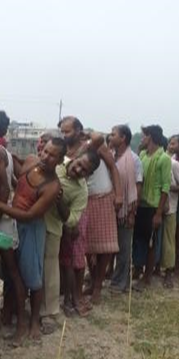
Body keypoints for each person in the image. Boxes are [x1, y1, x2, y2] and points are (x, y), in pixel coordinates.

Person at [0, 138, 64, 341]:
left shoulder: (53, 186)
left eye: (52, 155)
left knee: (32, 277)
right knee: (13, 273)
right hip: (13, 223)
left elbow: (31, 215)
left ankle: (32, 323)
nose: (46, 157)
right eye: (45, 151)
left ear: (59, 160)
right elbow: (17, 179)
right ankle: (16, 317)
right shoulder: (31, 161)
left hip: (30, 228)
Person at [59, 116, 121, 304]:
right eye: (62, 131)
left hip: (102, 196)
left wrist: (118, 196)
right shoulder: (65, 152)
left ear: (79, 130)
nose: (64, 135)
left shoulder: (91, 145)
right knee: (86, 247)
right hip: (81, 201)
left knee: (105, 246)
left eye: (68, 131)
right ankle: (92, 281)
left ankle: (98, 287)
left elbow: (113, 167)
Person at [0, 111, 27, 344]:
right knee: (9, 272)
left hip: (0, 220)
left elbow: (2, 186)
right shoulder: (5, 151)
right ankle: (4, 316)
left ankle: (18, 322)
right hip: (4, 218)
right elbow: (12, 182)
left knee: (10, 271)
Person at [56, 151, 100, 317]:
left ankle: (70, 299)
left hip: (63, 226)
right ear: (75, 158)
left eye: (84, 170)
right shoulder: (58, 163)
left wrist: (59, 200)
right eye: (79, 163)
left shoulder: (82, 191)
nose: (78, 169)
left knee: (69, 263)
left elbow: (73, 221)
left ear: (88, 175)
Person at [133, 125, 171, 291]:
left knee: (151, 243)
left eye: (145, 136)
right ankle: (137, 269)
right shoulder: (142, 154)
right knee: (138, 239)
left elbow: (165, 187)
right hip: (140, 205)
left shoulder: (164, 158)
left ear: (151, 136)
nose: (142, 138)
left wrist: (158, 213)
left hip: (153, 206)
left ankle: (147, 277)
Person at [108, 125, 142, 293]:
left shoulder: (133, 159)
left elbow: (137, 187)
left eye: (113, 134)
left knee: (123, 249)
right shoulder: (113, 157)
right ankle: (115, 277)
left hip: (125, 211)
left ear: (123, 138)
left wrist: (131, 212)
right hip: (112, 209)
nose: (110, 136)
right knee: (111, 247)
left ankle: (120, 283)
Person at [162, 135, 179, 288]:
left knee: (169, 241)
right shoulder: (160, 159)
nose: (171, 146)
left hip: (170, 207)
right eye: (170, 143)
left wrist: (169, 188)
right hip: (156, 206)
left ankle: (169, 272)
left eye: (174, 143)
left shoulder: (175, 164)